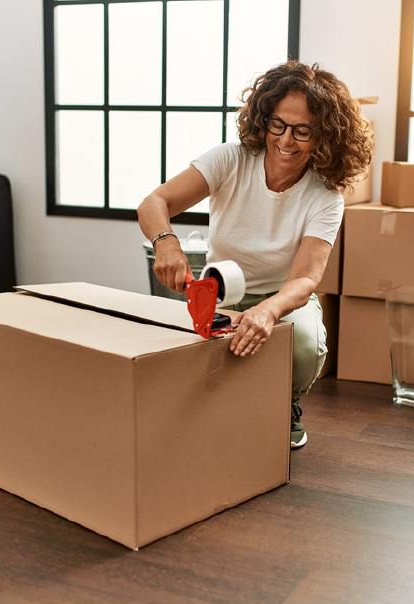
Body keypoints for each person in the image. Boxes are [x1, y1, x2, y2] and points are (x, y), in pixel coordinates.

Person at [138, 60, 374, 450]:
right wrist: (166, 242)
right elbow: (155, 202)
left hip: (282, 297)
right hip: (221, 290)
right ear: (264, 119)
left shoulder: (326, 198)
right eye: (278, 124)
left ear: (324, 138)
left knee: (304, 345)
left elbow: (305, 279)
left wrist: (268, 311)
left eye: (303, 131)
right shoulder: (229, 159)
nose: (285, 140)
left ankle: (288, 402)